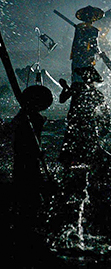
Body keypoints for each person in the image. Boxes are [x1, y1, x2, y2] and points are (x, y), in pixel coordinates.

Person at [9, 85, 53, 230]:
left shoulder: (32, 118)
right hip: (24, 159)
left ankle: (28, 218)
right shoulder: (24, 118)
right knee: (26, 188)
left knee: (29, 188)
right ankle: (25, 220)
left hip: (29, 159)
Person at [70, 5, 104, 83]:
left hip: (81, 57)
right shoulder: (83, 29)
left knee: (80, 79)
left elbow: (94, 45)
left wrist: (98, 52)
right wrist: (99, 52)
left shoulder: (81, 28)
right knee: (83, 79)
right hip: (82, 57)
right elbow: (94, 46)